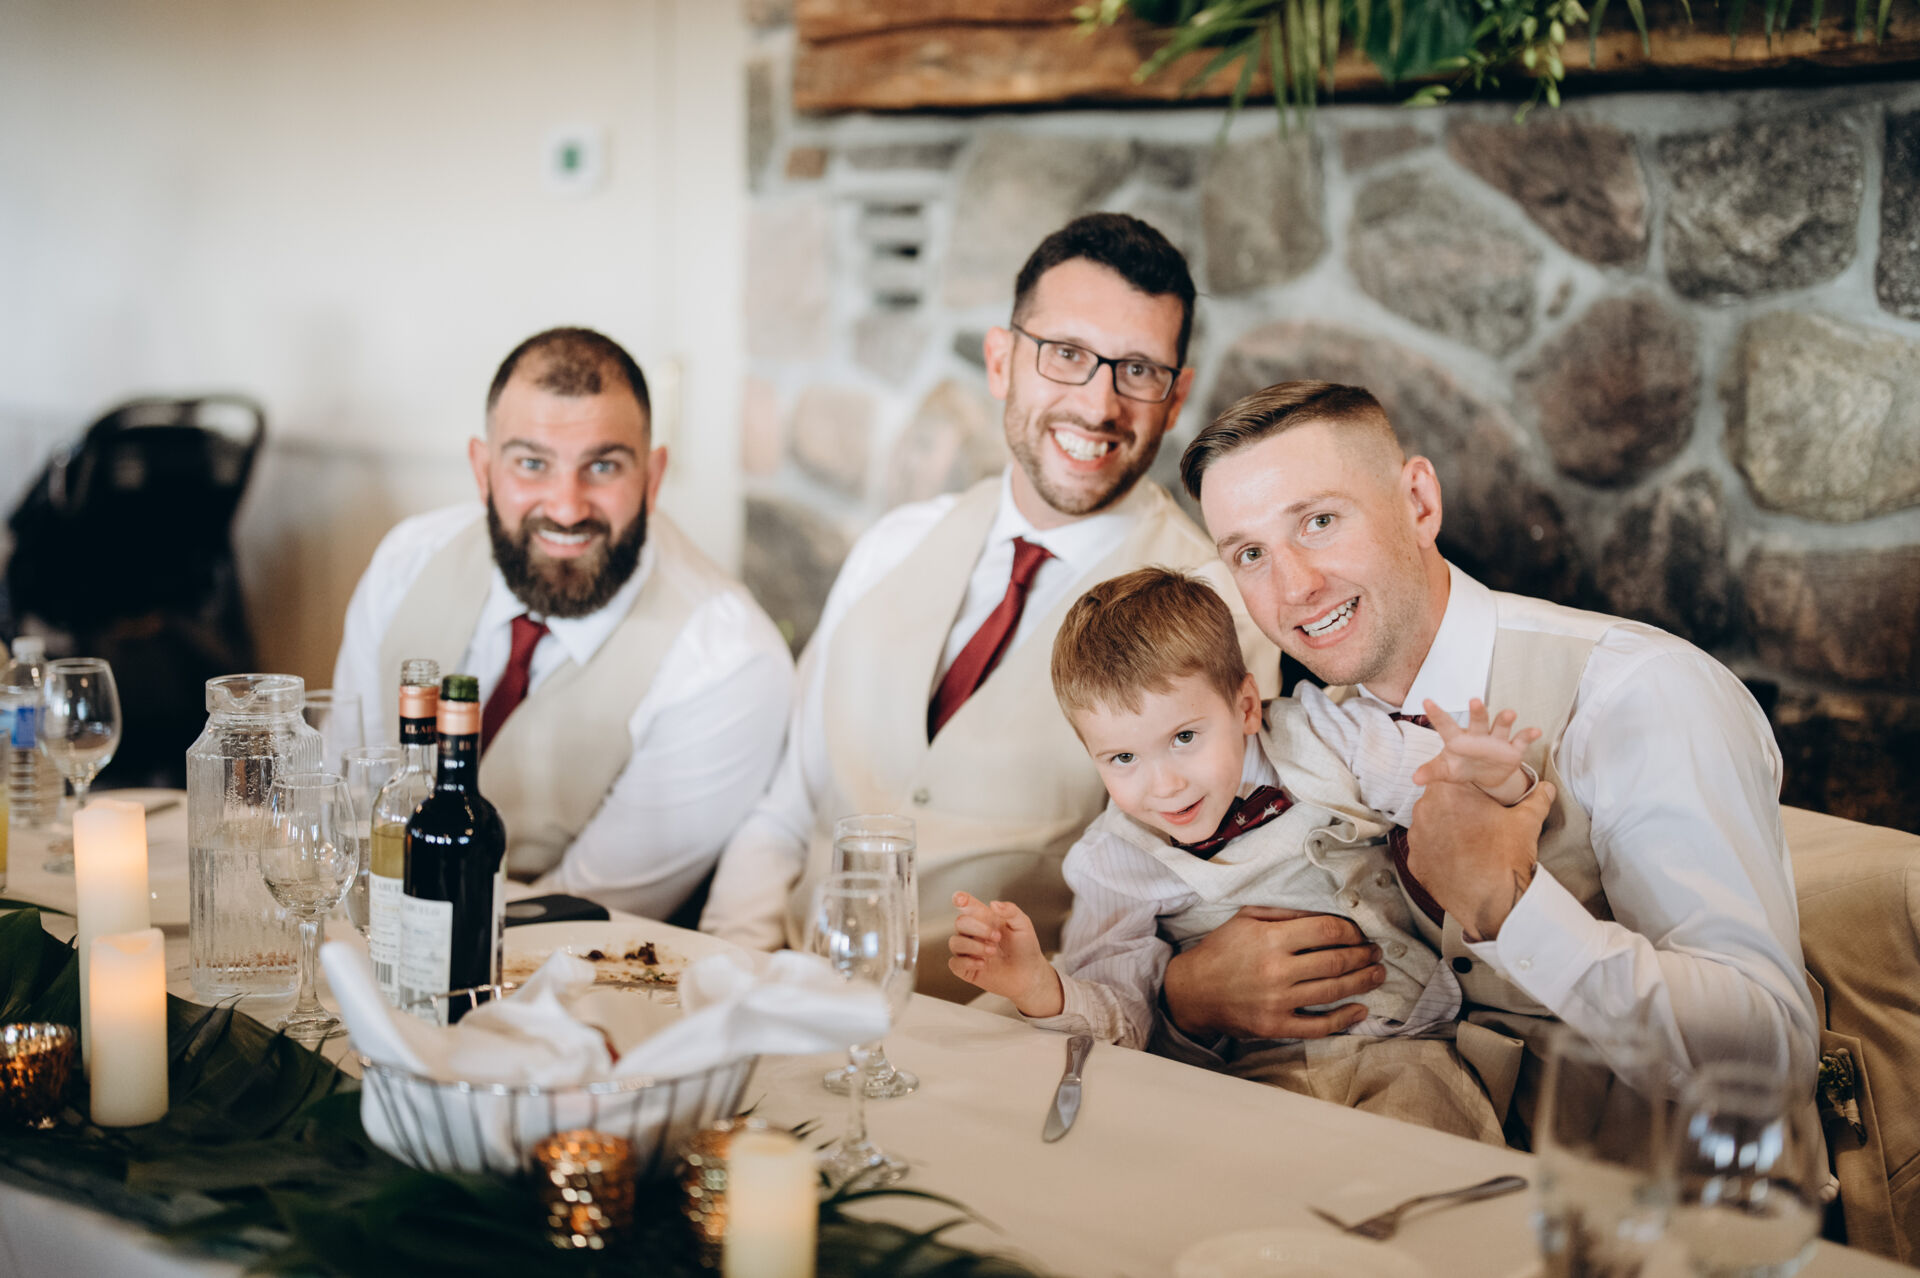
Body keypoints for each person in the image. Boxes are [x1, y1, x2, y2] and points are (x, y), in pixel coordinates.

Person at [1165, 379, 1817, 1131]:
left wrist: (1509, 907)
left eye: (1319, 521)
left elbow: (1774, 1060)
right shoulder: (1318, 729)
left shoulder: (1639, 693)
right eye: (1250, 554)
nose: (1295, 588)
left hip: (1640, 1183)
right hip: (1413, 1155)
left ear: (1419, 503)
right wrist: (1188, 999)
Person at [700, 214, 1280, 1000]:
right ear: (1002, 361)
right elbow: (785, 813)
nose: (1099, 405)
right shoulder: (892, 545)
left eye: (1138, 370)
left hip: (1005, 1039)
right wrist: (723, 974)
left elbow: (1194, 908)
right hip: (787, 997)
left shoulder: (1221, 608)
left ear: (1175, 399)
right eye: (1066, 354)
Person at [946, 567, 1549, 1142]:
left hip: (1408, 1045)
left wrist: (1491, 779)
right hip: (1248, 1076)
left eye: (1184, 737)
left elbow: (1437, 785)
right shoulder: (1112, 863)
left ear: (1244, 707)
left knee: (1435, 1169)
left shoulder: (1320, 734)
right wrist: (1039, 986)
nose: (1165, 785)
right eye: (1123, 758)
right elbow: (1123, 1022)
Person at [332, 327, 792, 919]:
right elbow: (348, 801)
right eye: (532, 463)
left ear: (652, 478)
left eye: (602, 465)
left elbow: (583, 913)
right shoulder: (407, 562)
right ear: (483, 469)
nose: (567, 507)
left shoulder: (729, 661)